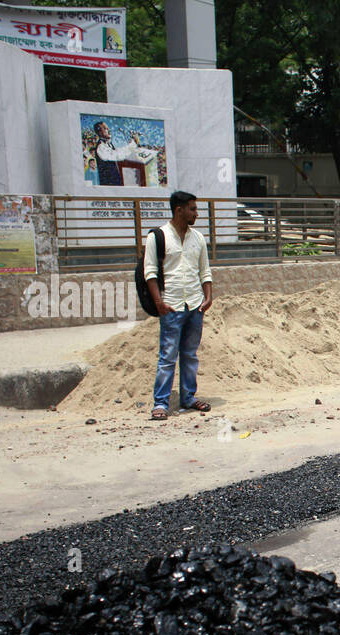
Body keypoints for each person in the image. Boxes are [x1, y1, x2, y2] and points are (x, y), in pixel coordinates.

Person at [143, 191, 213, 419]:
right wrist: (159, 303)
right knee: (168, 356)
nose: (196, 213)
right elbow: (150, 273)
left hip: (194, 305)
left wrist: (208, 296)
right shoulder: (158, 237)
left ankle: (188, 397)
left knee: (190, 354)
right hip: (171, 306)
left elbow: (205, 271)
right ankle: (161, 403)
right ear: (179, 210)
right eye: (192, 209)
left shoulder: (198, 238)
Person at [93, 120, 150, 187]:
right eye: (105, 128)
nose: (109, 130)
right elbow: (117, 155)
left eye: (108, 128)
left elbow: (119, 151)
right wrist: (133, 144)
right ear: (99, 132)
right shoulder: (101, 147)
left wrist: (132, 144)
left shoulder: (108, 144)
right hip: (109, 186)